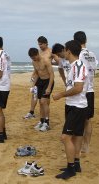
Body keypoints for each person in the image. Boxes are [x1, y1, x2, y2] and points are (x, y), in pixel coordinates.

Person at [53, 40, 89, 180]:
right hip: (74, 105)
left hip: (77, 106)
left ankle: (70, 169)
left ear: (68, 51)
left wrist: (61, 94)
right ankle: (76, 164)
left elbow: (78, 88)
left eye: (65, 51)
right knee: (77, 136)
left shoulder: (78, 65)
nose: (64, 53)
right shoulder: (73, 65)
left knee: (65, 137)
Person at [74, 31, 98, 153]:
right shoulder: (92, 54)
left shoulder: (78, 55)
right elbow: (94, 69)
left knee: (80, 119)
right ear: (86, 40)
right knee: (88, 120)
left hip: (82, 90)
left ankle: (79, 143)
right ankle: (86, 145)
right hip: (91, 90)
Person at [23, 36, 54, 119]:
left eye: (41, 44)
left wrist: (52, 63)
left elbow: (56, 65)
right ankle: (32, 112)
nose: (40, 46)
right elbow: (37, 70)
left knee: (44, 100)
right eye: (38, 44)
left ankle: (46, 119)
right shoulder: (37, 55)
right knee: (35, 95)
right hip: (39, 78)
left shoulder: (51, 52)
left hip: (48, 78)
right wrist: (33, 81)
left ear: (46, 43)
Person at [28, 48, 54, 132]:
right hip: (40, 81)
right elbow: (36, 73)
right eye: (32, 58)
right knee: (40, 102)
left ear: (37, 54)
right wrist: (33, 85)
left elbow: (52, 75)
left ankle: (47, 123)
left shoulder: (46, 61)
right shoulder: (33, 62)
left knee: (43, 101)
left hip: (48, 81)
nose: (34, 59)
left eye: (34, 57)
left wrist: (49, 87)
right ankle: (41, 121)